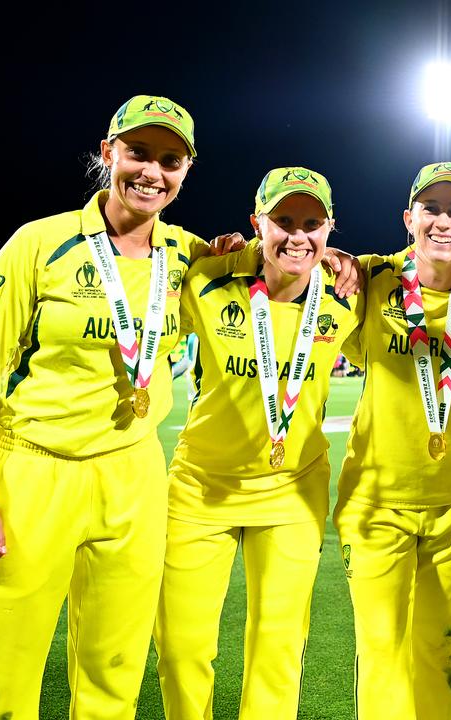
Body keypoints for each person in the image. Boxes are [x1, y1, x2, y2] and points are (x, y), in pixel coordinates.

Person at [0, 95, 206, 719]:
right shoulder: (41, 243)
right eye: (138, 153)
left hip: (135, 475)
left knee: (114, 674)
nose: (152, 172)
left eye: (169, 160)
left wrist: (342, 265)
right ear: (107, 153)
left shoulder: (194, 256)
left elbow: (281, 276)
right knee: (3, 671)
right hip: (36, 471)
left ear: (186, 171)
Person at [153, 167, 362, 718]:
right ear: (256, 225)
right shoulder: (207, 281)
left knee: (278, 648)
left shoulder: (347, 299)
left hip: (293, 491)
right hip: (202, 487)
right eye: (282, 221)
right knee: (181, 648)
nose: (298, 236)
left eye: (312, 223)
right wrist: (230, 251)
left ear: (330, 228)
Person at [334, 162, 451, 720]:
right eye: (432, 209)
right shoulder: (370, 279)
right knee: (381, 655)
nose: (443, 222)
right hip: (376, 505)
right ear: (409, 218)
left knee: (443, 654)